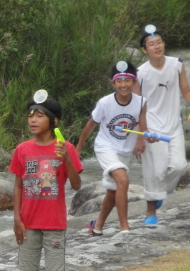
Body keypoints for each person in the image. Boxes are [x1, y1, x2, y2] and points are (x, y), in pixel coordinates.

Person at [9, 96, 83, 271]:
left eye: (39, 116)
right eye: (31, 115)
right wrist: (17, 218)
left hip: (54, 221)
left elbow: (76, 184)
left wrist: (67, 158)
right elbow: (18, 185)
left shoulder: (65, 147)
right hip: (28, 222)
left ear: (54, 122)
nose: (33, 120)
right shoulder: (22, 149)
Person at [76, 61, 149, 235]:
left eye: (127, 80)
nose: (123, 84)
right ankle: (124, 227)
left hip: (124, 150)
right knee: (123, 180)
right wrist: (78, 148)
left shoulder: (141, 102)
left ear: (134, 81)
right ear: (113, 83)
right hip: (105, 147)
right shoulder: (105, 103)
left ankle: (97, 226)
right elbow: (91, 124)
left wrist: (142, 139)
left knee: (113, 190)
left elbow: (143, 126)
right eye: (119, 81)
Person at [134, 26, 190, 224]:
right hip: (152, 128)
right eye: (152, 44)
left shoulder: (177, 65)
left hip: (174, 126)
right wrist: (140, 135)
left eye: (159, 42)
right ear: (144, 50)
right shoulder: (140, 73)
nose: (157, 46)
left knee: (179, 165)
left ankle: (160, 193)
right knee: (155, 171)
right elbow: (137, 105)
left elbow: (185, 91)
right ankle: (151, 213)